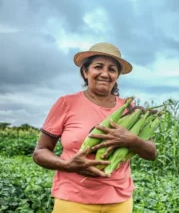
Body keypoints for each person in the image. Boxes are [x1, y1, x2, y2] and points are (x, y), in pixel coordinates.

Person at [33, 42, 157, 213]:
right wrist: (69, 165)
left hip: (119, 200)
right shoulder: (66, 103)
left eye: (112, 69)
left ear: (117, 76)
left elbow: (151, 153)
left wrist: (130, 140)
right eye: (98, 67)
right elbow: (40, 152)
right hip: (73, 198)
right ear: (85, 71)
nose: (105, 74)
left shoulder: (130, 109)